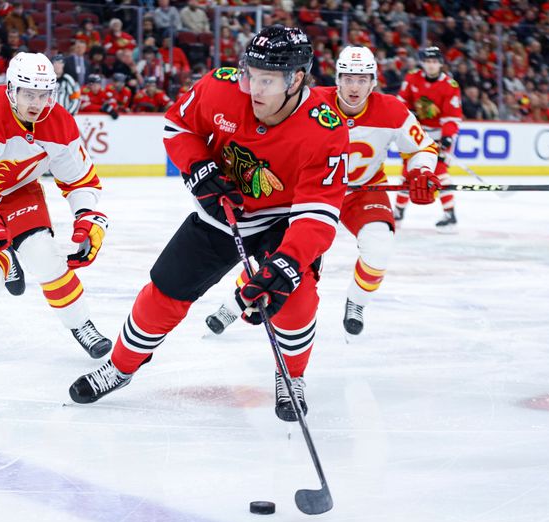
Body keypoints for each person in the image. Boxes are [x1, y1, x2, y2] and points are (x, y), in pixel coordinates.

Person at [68, 27, 350, 422]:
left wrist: (288, 262)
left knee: (295, 299)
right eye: (250, 73)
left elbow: (318, 213)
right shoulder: (220, 87)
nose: (253, 87)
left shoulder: (325, 129)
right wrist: (198, 169)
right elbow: (178, 128)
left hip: (283, 218)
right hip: (221, 207)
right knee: (164, 291)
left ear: (297, 79)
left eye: (267, 79)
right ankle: (120, 366)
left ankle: (291, 376)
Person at [204, 46, 441, 340]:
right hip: (311, 190)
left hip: (362, 191)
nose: (354, 87)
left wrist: (421, 171)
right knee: (284, 253)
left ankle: (356, 302)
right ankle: (233, 304)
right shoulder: (311, 102)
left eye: (362, 79)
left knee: (380, 245)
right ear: (337, 79)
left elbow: (423, 148)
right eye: (348, 78)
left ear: (374, 81)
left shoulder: (392, 110)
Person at [0, 52, 112, 358]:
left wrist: (87, 216)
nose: (36, 104)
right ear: (11, 89)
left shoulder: (59, 123)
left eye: (44, 95)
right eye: (28, 94)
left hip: (18, 191)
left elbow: (81, 181)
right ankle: (4, 257)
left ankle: (82, 324)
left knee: (44, 255)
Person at [395, 46, 462, 232]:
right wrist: (408, 114)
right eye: (428, 61)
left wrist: (447, 139)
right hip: (416, 134)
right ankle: (399, 211)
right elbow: (401, 103)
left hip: (439, 135)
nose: (431, 65)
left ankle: (450, 213)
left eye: (434, 62)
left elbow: (452, 118)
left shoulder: (450, 86)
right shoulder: (412, 78)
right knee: (409, 171)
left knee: (440, 171)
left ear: (440, 63)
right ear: (422, 63)